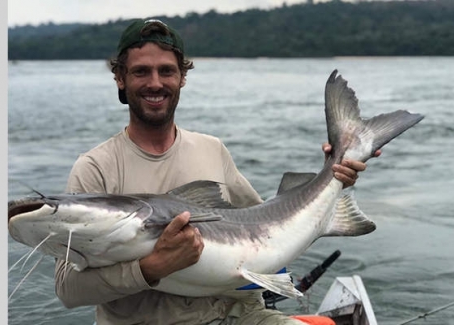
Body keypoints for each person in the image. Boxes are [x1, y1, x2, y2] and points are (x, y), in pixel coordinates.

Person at [54, 18, 380, 325]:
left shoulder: (212, 149)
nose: (155, 83)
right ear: (120, 78)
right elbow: (68, 289)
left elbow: (268, 222)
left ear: (182, 77)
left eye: (166, 71)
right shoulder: (95, 168)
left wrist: (334, 171)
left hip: (239, 315)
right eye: (141, 72)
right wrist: (150, 268)